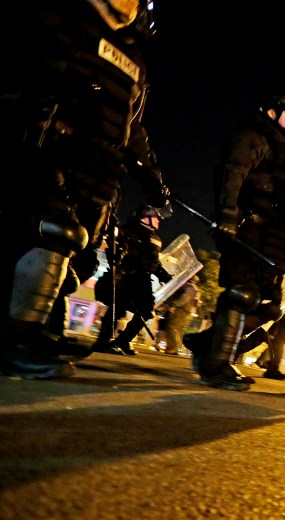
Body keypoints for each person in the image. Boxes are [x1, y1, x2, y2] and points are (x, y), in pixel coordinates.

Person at [0, 1, 172, 378]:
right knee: (49, 231)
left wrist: (152, 179)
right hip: (48, 151)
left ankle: (37, 331)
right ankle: (15, 341)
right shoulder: (58, 15)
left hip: (99, 172)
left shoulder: (133, 56)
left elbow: (132, 127)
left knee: (73, 254)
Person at [183, 95, 285, 391]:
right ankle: (216, 365)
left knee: (272, 307)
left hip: (275, 239)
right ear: (274, 112)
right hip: (248, 228)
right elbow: (232, 173)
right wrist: (226, 215)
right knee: (242, 294)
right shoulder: (253, 136)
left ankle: (205, 342)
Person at [91, 206, 173, 355]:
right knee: (117, 309)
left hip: (143, 280)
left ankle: (123, 341)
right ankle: (102, 342)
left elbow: (154, 262)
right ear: (144, 218)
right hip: (125, 276)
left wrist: (164, 275)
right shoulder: (128, 231)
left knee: (146, 311)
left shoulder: (155, 239)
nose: (159, 221)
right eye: (155, 217)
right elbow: (115, 251)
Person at [241, 292, 285, 380]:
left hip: (281, 317)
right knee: (267, 340)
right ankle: (270, 368)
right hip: (278, 316)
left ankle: (271, 368)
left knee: (276, 344)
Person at [157, 276, 202, 355]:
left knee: (171, 327)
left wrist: (174, 305)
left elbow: (184, 298)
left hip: (181, 311)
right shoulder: (195, 289)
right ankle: (173, 348)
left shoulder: (190, 288)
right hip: (186, 311)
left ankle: (172, 349)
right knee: (177, 329)